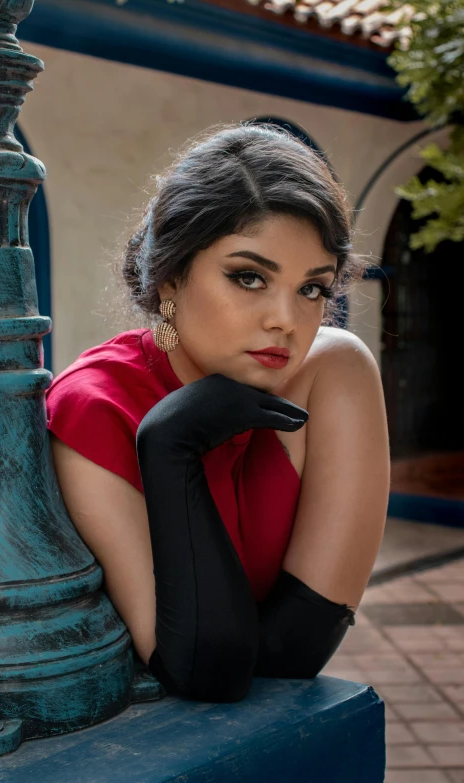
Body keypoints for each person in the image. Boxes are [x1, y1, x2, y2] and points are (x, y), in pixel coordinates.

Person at [46, 123, 390, 703]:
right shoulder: (94, 408)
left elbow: (294, 655)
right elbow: (206, 670)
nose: (286, 319)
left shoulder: (333, 373)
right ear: (171, 276)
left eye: (312, 288)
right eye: (248, 277)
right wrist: (171, 443)